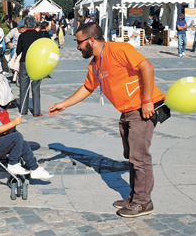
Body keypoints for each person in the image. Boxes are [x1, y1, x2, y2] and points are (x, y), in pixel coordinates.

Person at [48, 23, 165, 218]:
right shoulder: (95, 63)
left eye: (79, 42)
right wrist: (64, 104)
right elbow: (87, 88)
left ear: (91, 40)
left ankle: (144, 202)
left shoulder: (119, 49)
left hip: (140, 110)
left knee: (140, 157)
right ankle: (135, 196)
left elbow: (147, 66)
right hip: (126, 112)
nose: (77, 47)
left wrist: (147, 101)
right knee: (132, 156)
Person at [16, 15, 48, 117]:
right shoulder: (39, 36)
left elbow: (18, 51)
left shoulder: (22, 36)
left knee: (23, 87)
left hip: (24, 62)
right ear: (35, 24)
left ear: (25, 25)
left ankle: (23, 110)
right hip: (36, 63)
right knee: (36, 86)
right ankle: (36, 111)